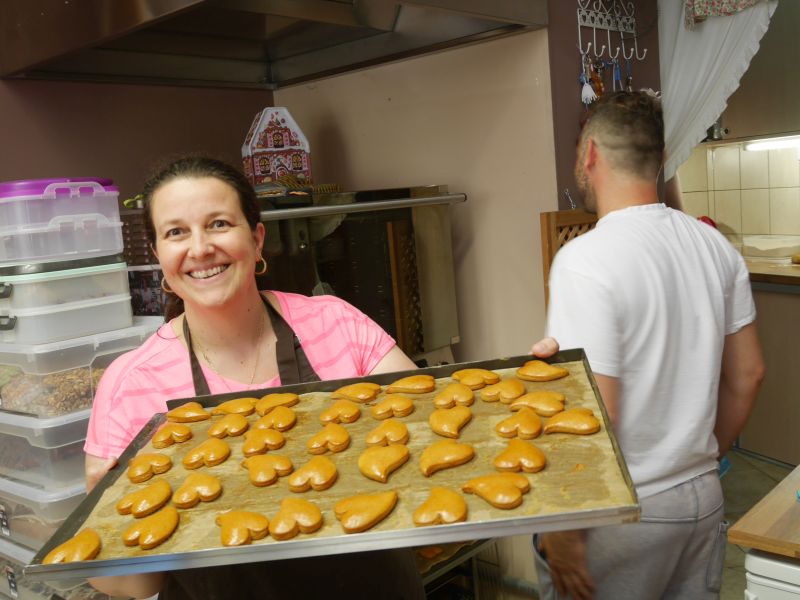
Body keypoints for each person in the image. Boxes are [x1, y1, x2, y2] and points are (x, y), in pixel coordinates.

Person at [83, 156, 425, 600]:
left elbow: (427, 443)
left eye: (219, 223)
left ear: (257, 237)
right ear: (158, 256)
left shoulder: (337, 325)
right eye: (176, 232)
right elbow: (131, 584)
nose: (200, 248)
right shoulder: (130, 384)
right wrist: (109, 510)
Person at [532, 91, 765, 600]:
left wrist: (565, 527)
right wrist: (696, 462)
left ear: (590, 154)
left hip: (623, 510)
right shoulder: (714, 246)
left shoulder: (585, 259)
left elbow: (600, 412)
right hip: (700, 502)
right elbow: (748, 375)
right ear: (659, 160)